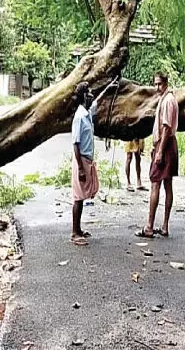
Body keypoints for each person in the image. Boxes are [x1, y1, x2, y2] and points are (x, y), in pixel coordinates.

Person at [70, 79, 118, 246]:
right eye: (89, 93)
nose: (91, 95)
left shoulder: (86, 113)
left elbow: (97, 102)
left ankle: (79, 229)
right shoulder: (78, 117)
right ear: (84, 95)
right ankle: (74, 233)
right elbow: (75, 143)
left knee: (82, 196)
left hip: (86, 160)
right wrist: (81, 168)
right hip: (81, 160)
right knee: (77, 197)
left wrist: (108, 88)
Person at [136, 72, 179, 239]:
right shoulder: (167, 99)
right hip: (167, 144)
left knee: (155, 183)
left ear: (166, 83)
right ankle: (164, 226)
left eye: (159, 84)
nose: (157, 87)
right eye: (155, 84)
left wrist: (160, 150)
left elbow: (167, 128)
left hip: (165, 145)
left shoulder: (168, 101)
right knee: (167, 185)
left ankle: (149, 226)